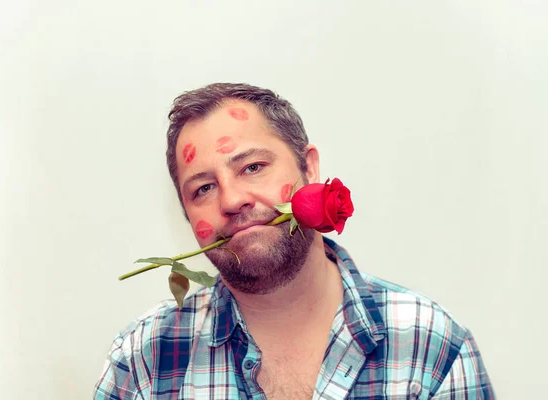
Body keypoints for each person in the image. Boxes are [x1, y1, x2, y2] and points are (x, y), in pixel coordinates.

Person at [94, 83, 495, 399]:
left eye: (252, 167)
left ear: (310, 168)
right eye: (203, 188)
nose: (232, 200)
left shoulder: (431, 347)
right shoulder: (144, 359)